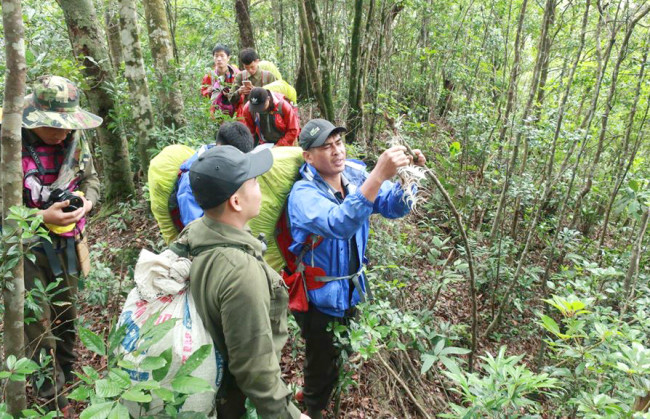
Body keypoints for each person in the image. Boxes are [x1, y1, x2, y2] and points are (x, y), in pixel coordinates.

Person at [286, 119, 426, 418]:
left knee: (338, 352)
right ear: (308, 156)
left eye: (338, 143)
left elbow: (392, 207)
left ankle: (313, 393)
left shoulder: (353, 174)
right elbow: (339, 223)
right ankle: (312, 408)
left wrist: (408, 177)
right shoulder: (303, 195)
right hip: (318, 298)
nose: (336, 151)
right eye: (326, 147)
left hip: (350, 292)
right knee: (321, 359)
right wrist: (377, 174)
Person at [183, 146, 308, 419]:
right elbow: (254, 369)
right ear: (236, 202)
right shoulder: (241, 273)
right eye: (252, 181)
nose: (258, 184)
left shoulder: (197, 231)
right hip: (228, 401)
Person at [20, 75, 102, 413]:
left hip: (68, 244)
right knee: (36, 324)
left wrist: (87, 204)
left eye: (70, 125)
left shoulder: (74, 139)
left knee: (66, 316)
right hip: (24, 248)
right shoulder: (10, 143)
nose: (65, 132)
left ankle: (67, 376)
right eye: (57, 126)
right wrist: (40, 218)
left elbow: (92, 180)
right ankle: (52, 399)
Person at [174, 121, 254, 228]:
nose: (237, 163)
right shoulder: (190, 180)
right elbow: (194, 226)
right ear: (220, 147)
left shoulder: (228, 163)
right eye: (234, 158)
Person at [228, 48, 276, 113]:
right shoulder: (240, 76)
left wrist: (258, 92)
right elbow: (230, 99)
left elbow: (276, 98)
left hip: (266, 113)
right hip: (248, 114)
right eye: (246, 68)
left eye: (252, 67)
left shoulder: (269, 76)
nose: (250, 70)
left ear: (257, 61)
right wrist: (239, 92)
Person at [200, 43, 239, 116]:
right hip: (215, 114)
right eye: (216, 56)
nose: (219, 59)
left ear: (228, 58)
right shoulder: (209, 76)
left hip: (235, 113)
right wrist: (207, 91)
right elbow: (203, 93)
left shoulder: (236, 74)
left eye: (222, 56)